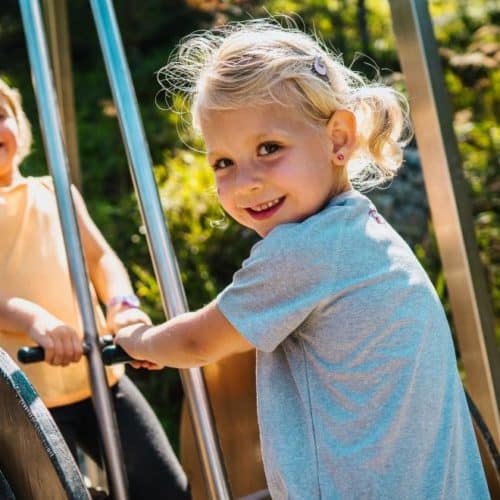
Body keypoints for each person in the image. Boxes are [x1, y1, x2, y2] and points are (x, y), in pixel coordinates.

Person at [115, 20, 489, 500]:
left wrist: (140, 340)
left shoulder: (303, 251)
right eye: (223, 162)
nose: (245, 181)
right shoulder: (364, 233)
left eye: (268, 149)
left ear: (338, 139)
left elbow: (194, 342)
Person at [0, 77, 190, 499]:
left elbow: (102, 258)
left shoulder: (53, 191)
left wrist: (122, 306)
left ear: (19, 125)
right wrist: (34, 319)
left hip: (101, 376)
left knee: (167, 489)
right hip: (27, 404)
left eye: (0, 117)